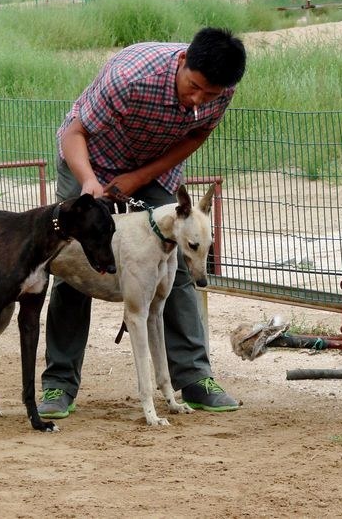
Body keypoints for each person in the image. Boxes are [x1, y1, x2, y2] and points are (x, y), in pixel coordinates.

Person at [38, 27, 248, 419]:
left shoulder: (221, 90)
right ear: (183, 61)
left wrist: (138, 178)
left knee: (177, 262)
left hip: (151, 172)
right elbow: (73, 133)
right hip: (89, 157)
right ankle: (58, 384)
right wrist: (88, 183)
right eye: (194, 87)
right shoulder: (129, 77)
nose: (198, 99)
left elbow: (197, 134)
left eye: (210, 94)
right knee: (74, 263)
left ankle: (194, 378)